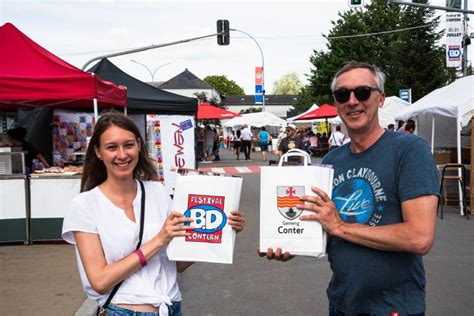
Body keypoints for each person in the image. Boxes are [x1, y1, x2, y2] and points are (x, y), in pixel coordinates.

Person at [260, 61, 439, 316]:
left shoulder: (410, 150)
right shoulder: (333, 161)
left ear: (381, 99)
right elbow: (326, 229)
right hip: (342, 304)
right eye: (343, 95)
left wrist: (339, 226)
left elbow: (419, 237)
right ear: (337, 104)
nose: (352, 101)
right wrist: (292, 242)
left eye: (363, 92)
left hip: (393, 307)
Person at [62, 111, 245, 316]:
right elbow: (100, 281)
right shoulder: (85, 205)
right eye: (112, 147)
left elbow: (177, 264)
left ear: (139, 146)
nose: (122, 155)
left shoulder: (157, 191)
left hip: (170, 307)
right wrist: (158, 240)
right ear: (98, 152)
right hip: (122, 311)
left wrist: (219, 230)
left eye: (128, 145)